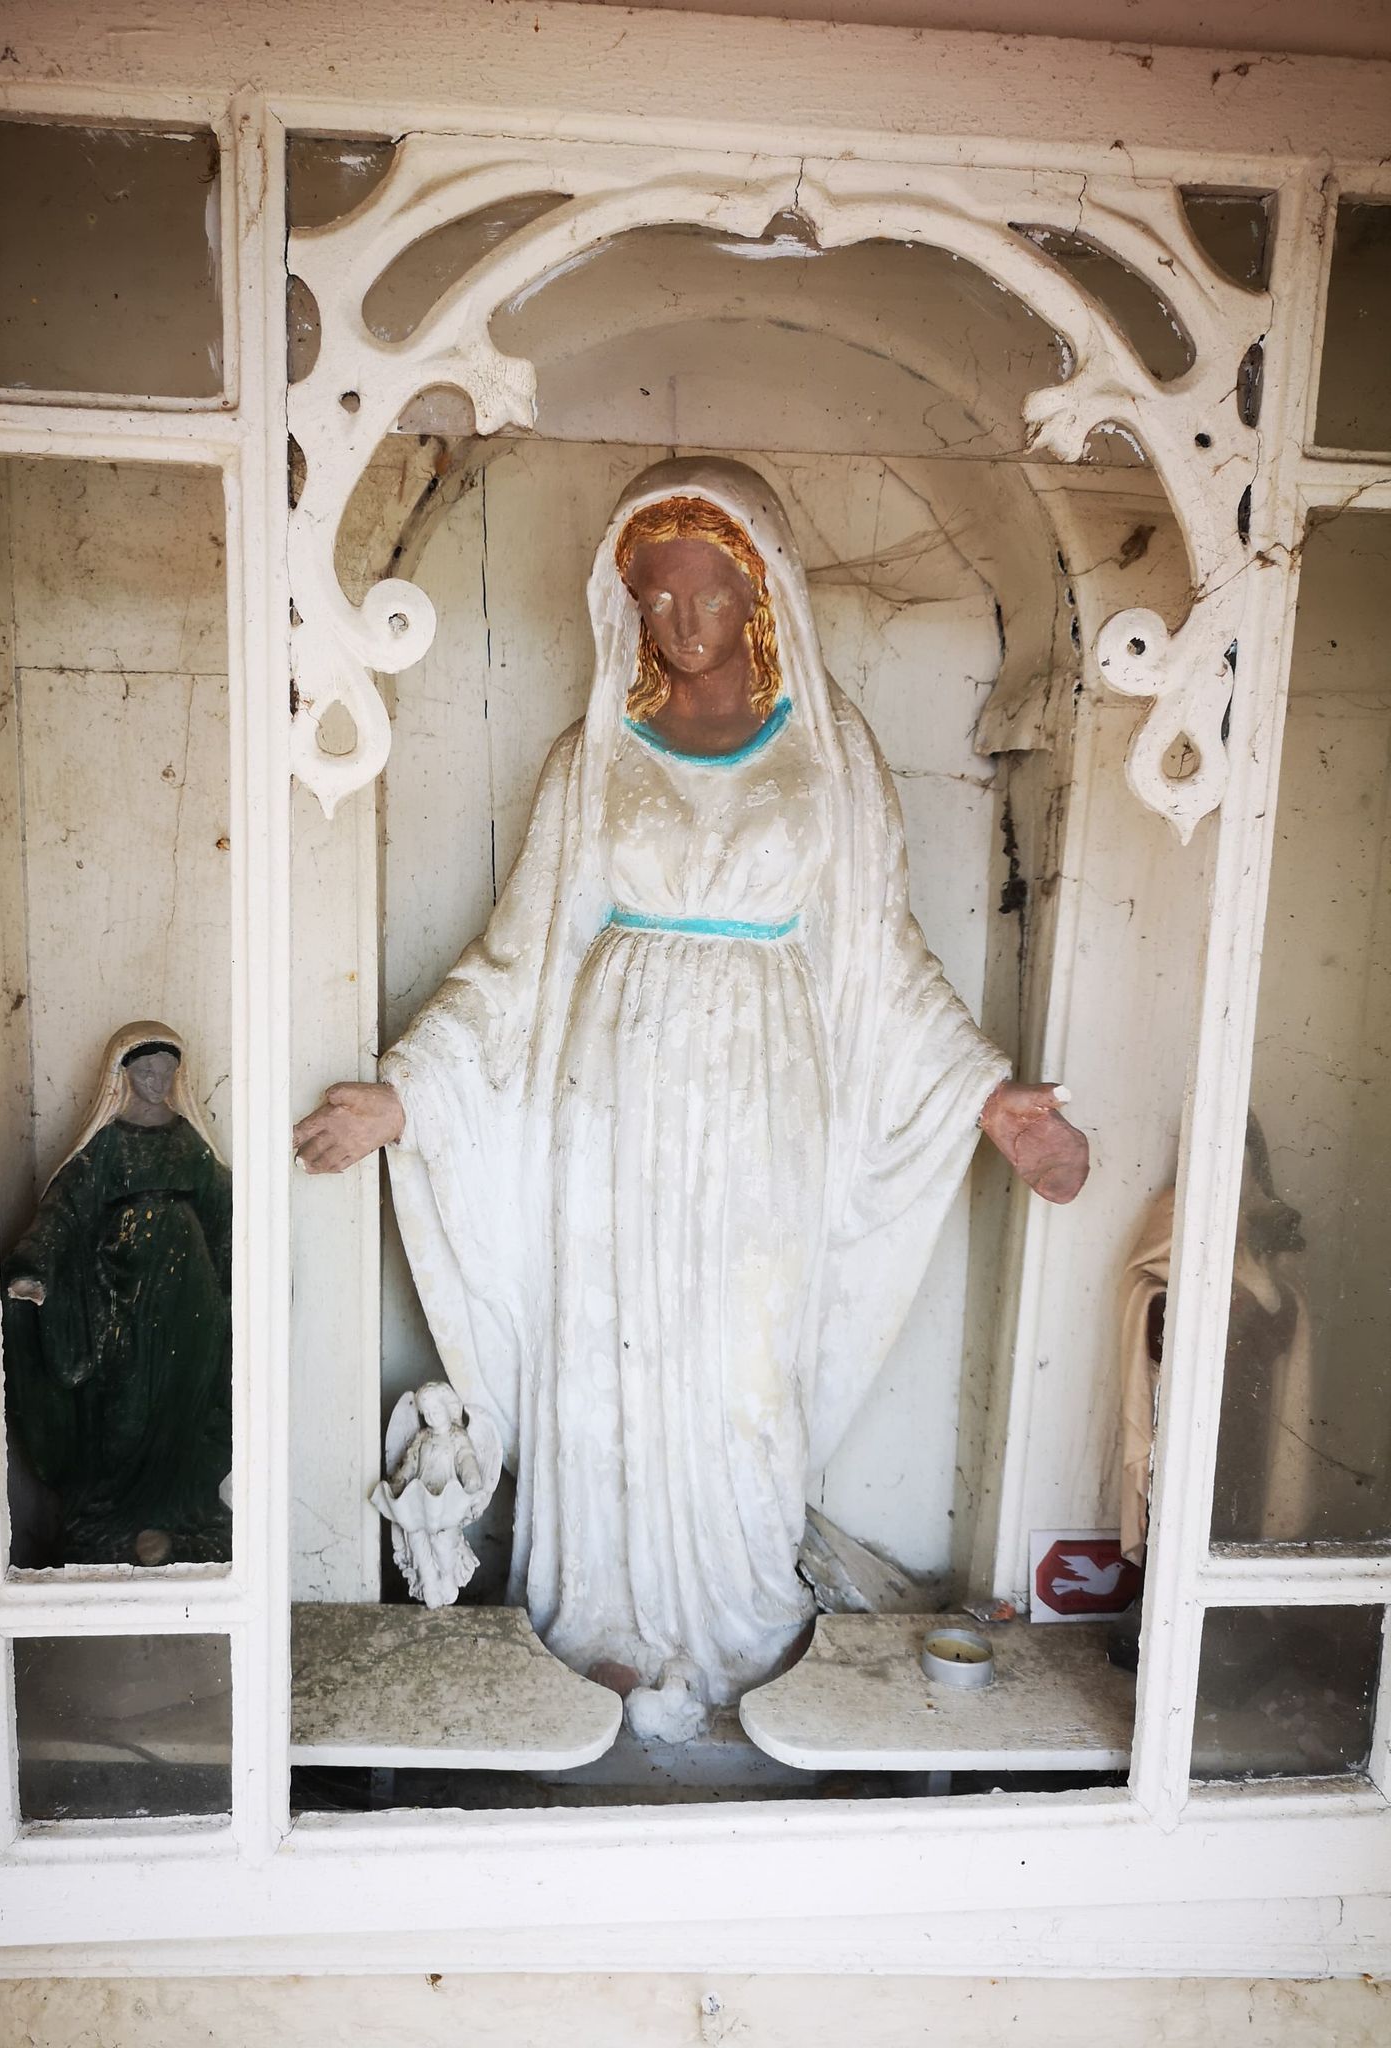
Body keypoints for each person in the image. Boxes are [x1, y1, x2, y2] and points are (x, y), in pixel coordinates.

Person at [295, 458, 1087, 1731]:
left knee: (745, 1364)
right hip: (610, 1092)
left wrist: (992, 1099)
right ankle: (603, 1624)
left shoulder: (831, 757)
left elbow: (885, 961)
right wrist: (406, 1092)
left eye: (710, 594)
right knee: (607, 1349)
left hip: (766, 1098)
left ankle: (740, 1631)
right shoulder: (591, 757)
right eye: (656, 597)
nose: (683, 622)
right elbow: (518, 957)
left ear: (760, 594)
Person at [3, 1021, 232, 1566]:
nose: (157, 1081)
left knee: (187, 1403)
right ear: (122, 1074)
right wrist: (34, 1266)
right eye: (146, 1070)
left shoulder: (188, 1142)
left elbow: (227, 1214)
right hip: (119, 1303)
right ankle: (114, 1518)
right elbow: (63, 1211)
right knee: (123, 1412)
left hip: (190, 1303)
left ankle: (180, 1514)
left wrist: (254, 1269)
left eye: (167, 1072)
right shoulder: (105, 1147)